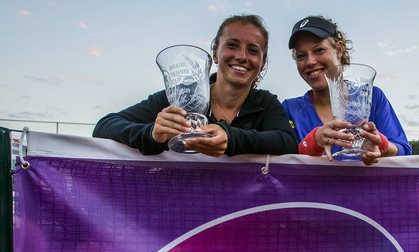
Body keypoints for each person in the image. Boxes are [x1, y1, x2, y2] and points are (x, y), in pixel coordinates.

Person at [93, 14, 297, 157]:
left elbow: (286, 142)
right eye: (232, 45)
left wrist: (231, 138)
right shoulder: (181, 96)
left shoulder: (265, 103)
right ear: (215, 52)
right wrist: (153, 134)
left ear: (262, 62)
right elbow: (105, 126)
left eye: (253, 50)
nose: (242, 56)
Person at [282, 15, 412, 165]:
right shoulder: (290, 109)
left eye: (319, 50)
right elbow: (280, 164)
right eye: (301, 56)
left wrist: (381, 144)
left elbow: (404, 152)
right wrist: (313, 142)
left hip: (366, 188)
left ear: (338, 49)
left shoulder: (373, 97)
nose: (310, 61)